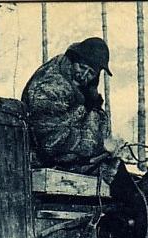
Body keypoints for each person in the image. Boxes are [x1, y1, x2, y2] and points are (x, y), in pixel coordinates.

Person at [22, 37, 118, 178]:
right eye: (82, 67)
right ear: (74, 59)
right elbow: (52, 142)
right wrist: (100, 145)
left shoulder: (81, 88)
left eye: (91, 73)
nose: (83, 75)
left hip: (66, 160)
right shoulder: (51, 87)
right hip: (41, 164)